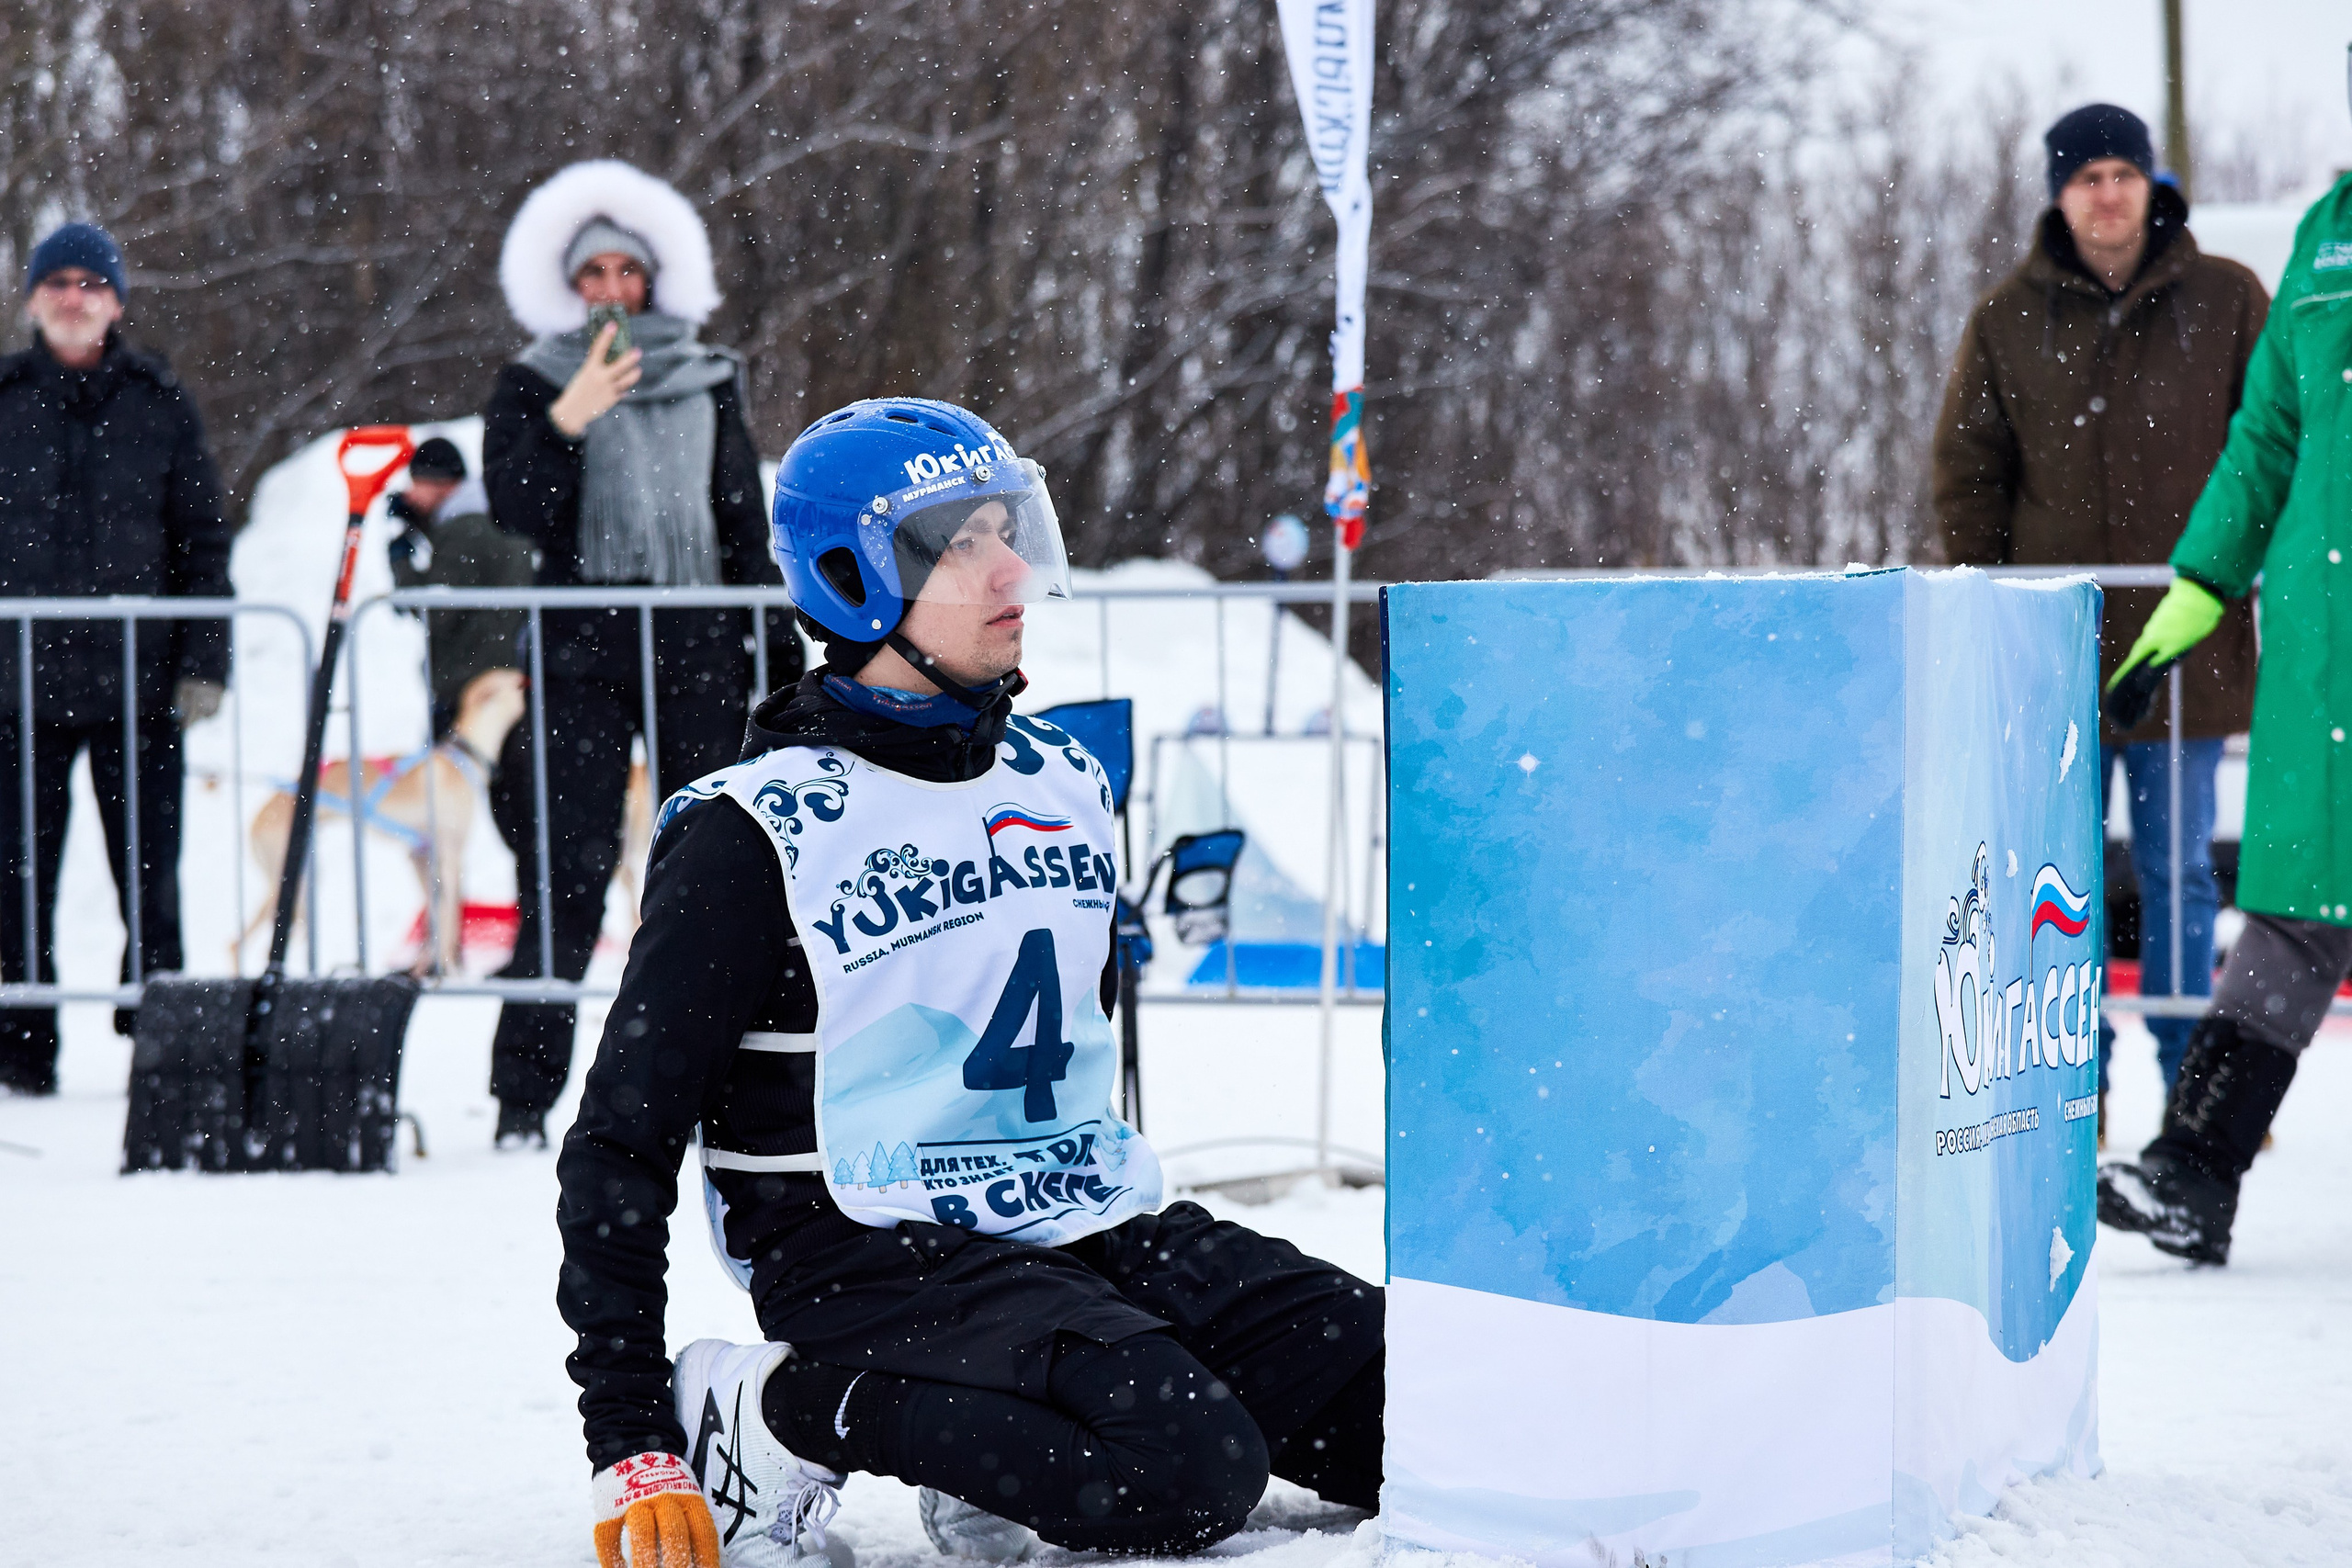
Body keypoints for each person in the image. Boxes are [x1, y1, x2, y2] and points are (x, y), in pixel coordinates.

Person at [558, 400, 1383, 1568]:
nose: (1009, 570)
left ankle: (1003, 1436)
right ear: (851, 579)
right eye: (956, 542)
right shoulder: (757, 831)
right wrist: (628, 1429)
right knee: (1190, 1469)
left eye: (1009, 528)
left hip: (1076, 1216)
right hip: (868, 1250)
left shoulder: (1064, 776)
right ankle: (777, 1411)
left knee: (1416, 1411)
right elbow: (619, 1140)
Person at [1933, 103, 2267, 1118]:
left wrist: (2244, 580)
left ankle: (2187, 1101)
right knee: (2056, 885)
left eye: (2124, 173)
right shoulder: (2005, 316)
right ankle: (2072, 1093)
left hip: (2185, 652)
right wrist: (1999, 612)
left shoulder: (2227, 299)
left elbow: (2270, 457)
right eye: (2087, 177)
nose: (2107, 193)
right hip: (2053, 657)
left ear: (2151, 184)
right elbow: (1968, 476)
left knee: (2176, 876)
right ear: (2059, 193)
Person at [481, 160, 802, 1147]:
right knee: (566, 870)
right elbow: (518, 512)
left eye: (627, 270)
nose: (611, 288)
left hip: (697, 639)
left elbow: (738, 517)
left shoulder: (713, 377)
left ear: (655, 280)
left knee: (707, 864)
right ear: (568, 286)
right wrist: (567, 421)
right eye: (592, 274)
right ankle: (523, 1094)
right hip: (582, 645)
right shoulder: (534, 382)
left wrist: (776, 640)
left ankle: (713, 1072)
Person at [2096, 136, 2352, 1267]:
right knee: (2295, 910)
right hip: (2322, 637)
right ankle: (2191, 1175)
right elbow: (2268, 437)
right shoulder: (2324, 232)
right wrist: (2200, 586)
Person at [0, 222, 233, 1095]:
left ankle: (160, 1042)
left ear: (116, 300)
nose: (72, 295)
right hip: (15, 688)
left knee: (152, 874)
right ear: (33, 298)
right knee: (16, 877)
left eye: (89, 283)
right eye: (56, 281)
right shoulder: (6, 396)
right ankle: (22, 1050)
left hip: (138, 685)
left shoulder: (159, 399)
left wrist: (206, 660)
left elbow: (203, 539)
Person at [385, 435, 534, 741]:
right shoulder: (488, 518)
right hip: (501, 674)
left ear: (438, 482)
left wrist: (401, 562)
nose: (410, 494)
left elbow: (436, 610)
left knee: (456, 781)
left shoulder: (464, 530)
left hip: (471, 682)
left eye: (416, 481)